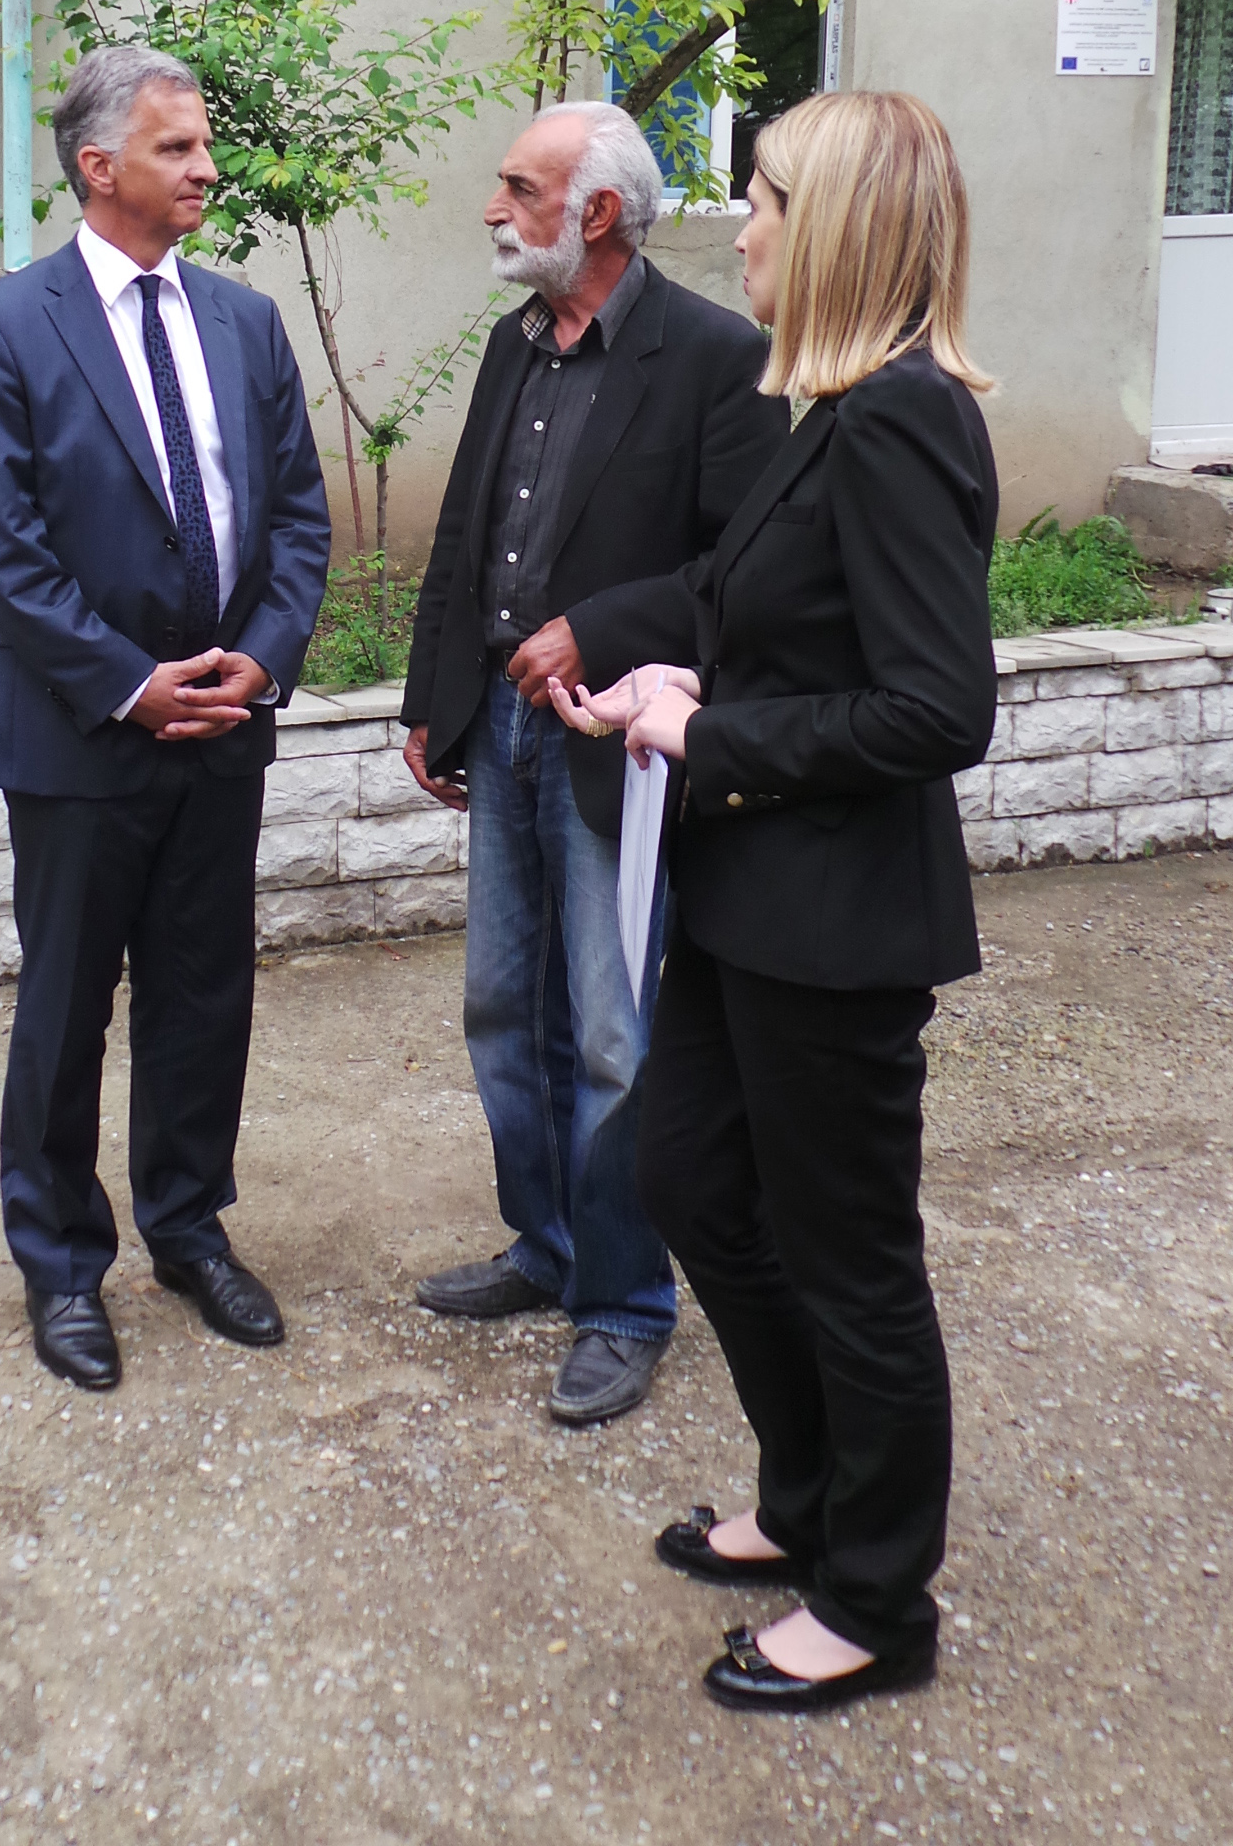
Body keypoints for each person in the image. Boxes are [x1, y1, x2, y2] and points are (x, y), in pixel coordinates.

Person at [548, 89, 998, 1712]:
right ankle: (806, 1497)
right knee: (691, 1183)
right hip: (750, 905)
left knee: (849, 1259)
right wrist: (679, 670)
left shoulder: (902, 418)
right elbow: (809, 638)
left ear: (841, 228)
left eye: (761, 199)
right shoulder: (827, 410)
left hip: (838, 930)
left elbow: (940, 707)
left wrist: (706, 732)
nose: (735, 225)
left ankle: (879, 1599)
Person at [0, 44, 330, 1392]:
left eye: (205, 145)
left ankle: (188, 1226)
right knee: (65, 1008)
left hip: (224, 728)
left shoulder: (247, 323)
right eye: (180, 149)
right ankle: (59, 1263)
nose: (209, 169)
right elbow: (4, 550)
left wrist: (263, 659)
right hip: (82, 737)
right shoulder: (2, 329)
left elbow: (295, 516)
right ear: (100, 167)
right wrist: (127, 679)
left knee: (201, 991)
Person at [401, 103, 789, 1426]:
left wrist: (599, 631)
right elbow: (464, 524)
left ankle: (626, 1300)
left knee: (613, 1029)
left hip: (617, 735)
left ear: (599, 212)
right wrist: (430, 697)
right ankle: (549, 1245)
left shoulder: (718, 359)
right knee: (503, 1011)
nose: (493, 207)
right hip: (501, 726)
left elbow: (744, 577)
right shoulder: (518, 347)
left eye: (518, 186)